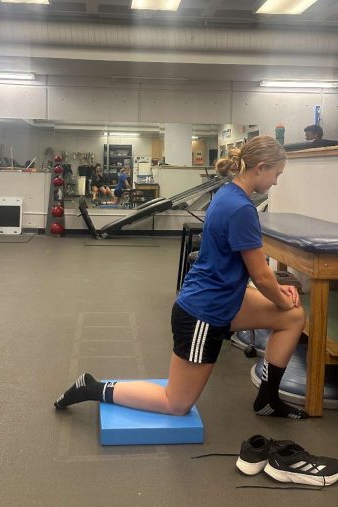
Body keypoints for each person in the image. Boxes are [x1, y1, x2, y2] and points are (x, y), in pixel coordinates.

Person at [55, 136, 307, 420]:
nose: (276, 182)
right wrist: (281, 298)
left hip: (224, 298)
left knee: (292, 318)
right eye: (276, 174)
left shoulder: (229, 193)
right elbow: (261, 277)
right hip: (204, 312)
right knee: (176, 404)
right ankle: (93, 388)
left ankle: (268, 399)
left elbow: (252, 269)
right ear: (261, 167)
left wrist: (281, 295)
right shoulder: (241, 208)